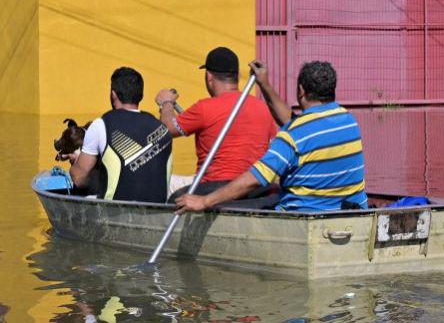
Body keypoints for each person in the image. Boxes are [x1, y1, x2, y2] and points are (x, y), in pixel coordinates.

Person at [174, 60, 368, 214]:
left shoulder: (293, 136)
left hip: (304, 214)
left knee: (219, 206)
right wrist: (264, 85)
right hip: (350, 212)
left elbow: (254, 179)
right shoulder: (348, 121)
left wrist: (204, 201)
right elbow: (294, 123)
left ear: (300, 90)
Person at [155, 47, 279, 199]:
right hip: (253, 188)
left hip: (211, 187)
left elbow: (166, 130)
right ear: (237, 77)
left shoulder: (204, 108)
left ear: (209, 77)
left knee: (161, 182)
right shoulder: (263, 108)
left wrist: (166, 103)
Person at [68, 67, 173, 203]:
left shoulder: (102, 124)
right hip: (157, 211)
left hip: (113, 212)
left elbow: (78, 178)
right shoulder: (162, 128)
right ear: (140, 95)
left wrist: (77, 161)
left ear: (113, 94)